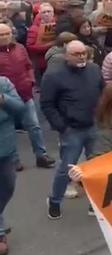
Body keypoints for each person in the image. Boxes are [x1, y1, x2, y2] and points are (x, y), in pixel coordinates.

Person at [41, 41, 104, 219]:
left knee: (95, 167)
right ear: (66, 56)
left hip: (94, 126)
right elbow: (47, 104)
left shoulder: (94, 70)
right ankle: (54, 201)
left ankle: (95, 203)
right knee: (66, 169)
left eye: (83, 53)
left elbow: (103, 92)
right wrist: (62, 126)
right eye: (76, 54)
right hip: (72, 130)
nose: (81, 56)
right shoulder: (54, 76)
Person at [0, 23, 54, 170]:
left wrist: (31, 80)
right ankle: (14, 160)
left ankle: (41, 155)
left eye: (7, 33)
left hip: (25, 94)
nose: (5, 37)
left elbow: (28, 66)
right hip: (6, 99)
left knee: (34, 126)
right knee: (9, 130)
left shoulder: (20, 48)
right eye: (1, 34)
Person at [0, 75, 26, 253]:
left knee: (8, 187)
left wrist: (3, 99)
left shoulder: (3, 83)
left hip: (5, 149)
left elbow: (19, 108)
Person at [26, 2, 55, 80]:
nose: (46, 14)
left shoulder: (58, 25)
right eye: (44, 12)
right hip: (42, 62)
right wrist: (49, 46)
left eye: (49, 11)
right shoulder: (34, 29)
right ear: (40, 14)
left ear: (53, 13)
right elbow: (30, 47)